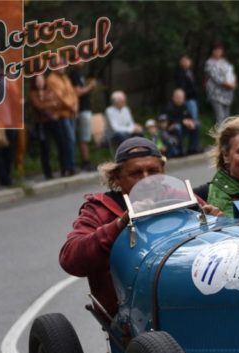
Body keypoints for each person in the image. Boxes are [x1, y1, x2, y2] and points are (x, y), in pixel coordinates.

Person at [59, 137, 222, 316]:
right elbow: (70, 259)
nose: (147, 179)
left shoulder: (182, 196)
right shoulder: (100, 209)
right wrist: (118, 225)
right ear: (117, 178)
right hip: (128, 310)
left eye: (153, 171)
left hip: (188, 291)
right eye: (136, 173)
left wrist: (217, 222)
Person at [29, 73, 63, 180]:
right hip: (42, 124)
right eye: (38, 80)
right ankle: (48, 172)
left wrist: (47, 104)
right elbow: (38, 106)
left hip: (54, 121)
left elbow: (57, 104)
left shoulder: (49, 91)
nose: (40, 82)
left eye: (42, 80)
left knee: (61, 144)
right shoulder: (33, 94)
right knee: (45, 148)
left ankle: (64, 168)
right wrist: (50, 104)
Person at [46, 63, 78, 176]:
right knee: (67, 141)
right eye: (58, 65)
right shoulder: (52, 79)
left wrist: (75, 105)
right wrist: (71, 106)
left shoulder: (65, 77)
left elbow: (72, 93)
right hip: (61, 114)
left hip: (70, 113)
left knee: (71, 140)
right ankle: (69, 167)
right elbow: (59, 97)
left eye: (63, 64)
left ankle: (70, 165)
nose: (61, 67)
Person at [69, 62, 97, 172]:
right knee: (83, 138)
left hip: (85, 109)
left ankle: (84, 161)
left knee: (84, 137)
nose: (82, 62)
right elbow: (78, 92)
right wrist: (91, 86)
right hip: (80, 110)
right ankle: (85, 162)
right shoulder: (73, 74)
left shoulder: (79, 74)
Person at [204, 42, 236, 126]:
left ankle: (226, 137)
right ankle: (220, 137)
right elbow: (216, 78)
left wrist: (233, 82)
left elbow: (231, 74)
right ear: (212, 51)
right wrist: (228, 84)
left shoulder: (225, 62)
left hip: (227, 94)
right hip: (216, 94)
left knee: (227, 118)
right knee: (220, 117)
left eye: (220, 50)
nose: (218, 52)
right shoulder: (209, 63)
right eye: (216, 50)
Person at [165, 88, 202, 156]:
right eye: (179, 97)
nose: (181, 99)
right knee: (177, 127)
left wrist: (190, 122)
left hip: (183, 127)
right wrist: (182, 121)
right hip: (172, 129)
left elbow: (189, 116)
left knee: (196, 124)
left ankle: (193, 148)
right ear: (174, 97)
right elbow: (170, 121)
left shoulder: (183, 106)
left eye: (182, 97)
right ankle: (180, 151)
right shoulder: (169, 107)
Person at [174, 55, 200, 122]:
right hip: (187, 98)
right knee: (192, 119)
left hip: (193, 98)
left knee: (194, 118)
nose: (186, 62)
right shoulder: (179, 73)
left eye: (187, 61)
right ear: (180, 62)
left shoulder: (190, 72)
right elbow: (181, 87)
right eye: (183, 61)